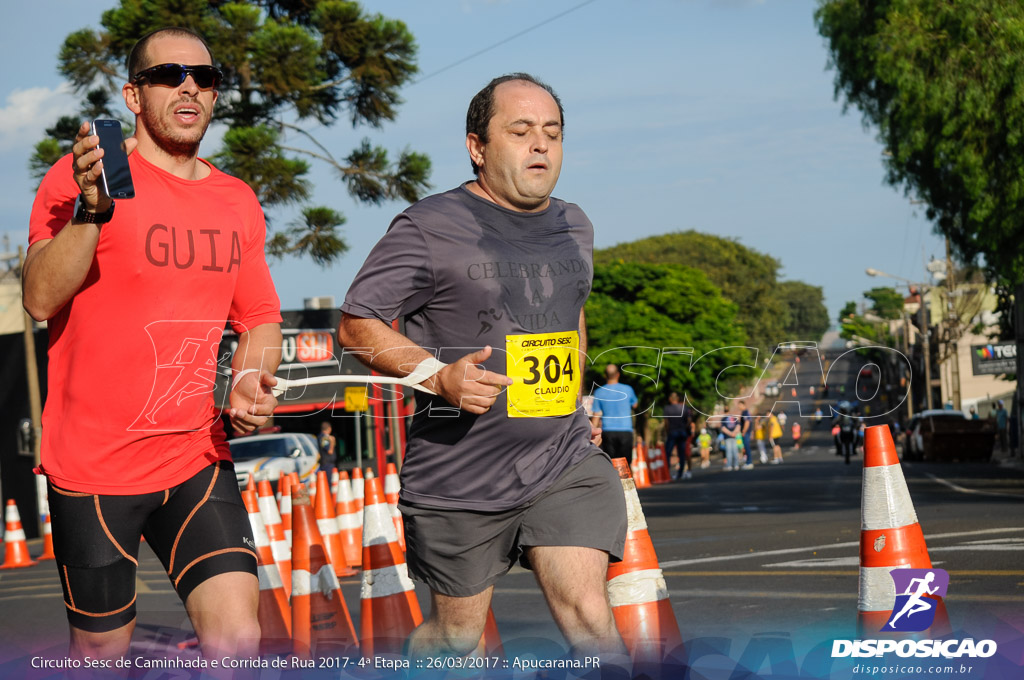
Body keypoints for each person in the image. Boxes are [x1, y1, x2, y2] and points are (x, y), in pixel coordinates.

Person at [336, 73, 629, 664]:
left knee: (588, 615)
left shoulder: (576, 225)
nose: (540, 144)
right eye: (520, 131)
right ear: (477, 147)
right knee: (456, 639)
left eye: (552, 132)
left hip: (563, 460)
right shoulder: (429, 227)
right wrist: (436, 377)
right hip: (459, 478)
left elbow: (569, 318)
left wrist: (573, 399)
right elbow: (356, 324)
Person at [24, 27, 282, 663]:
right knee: (101, 654)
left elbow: (259, 315)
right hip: (94, 469)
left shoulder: (235, 199)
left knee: (238, 639)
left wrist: (250, 380)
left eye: (204, 76)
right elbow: (38, 298)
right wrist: (91, 210)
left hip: (196, 454)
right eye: (168, 75)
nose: (189, 86)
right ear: (133, 96)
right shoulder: (81, 176)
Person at [591, 364, 639, 464]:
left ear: (605, 375)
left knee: (611, 462)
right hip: (625, 430)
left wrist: (591, 434)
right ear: (618, 375)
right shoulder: (628, 389)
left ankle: (614, 480)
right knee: (625, 463)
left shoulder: (599, 392)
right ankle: (625, 480)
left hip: (608, 431)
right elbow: (635, 404)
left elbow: (596, 415)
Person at [663, 392, 692, 480]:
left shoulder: (667, 408)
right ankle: (680, 473)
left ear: (670, 399)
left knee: (667, 452)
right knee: (681, 453)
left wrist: (667, 431)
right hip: (682, 432)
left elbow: (666, 422)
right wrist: (685, 427)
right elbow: (689, 420)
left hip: (672, 431)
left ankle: (667, 472)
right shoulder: (684, 407)